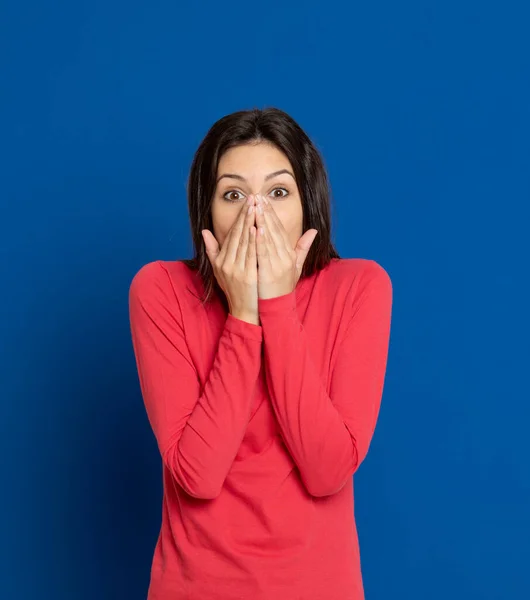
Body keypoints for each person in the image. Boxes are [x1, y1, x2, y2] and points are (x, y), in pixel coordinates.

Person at [128, 107, 393, 600]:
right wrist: (245, 315)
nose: (257, 214)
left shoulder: (360, 287)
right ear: (206, 212)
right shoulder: (160, 289)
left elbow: (327, 470)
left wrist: (276, 304)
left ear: (307, 205)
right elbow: (198, 476)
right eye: (233, 194)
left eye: (277, 192)